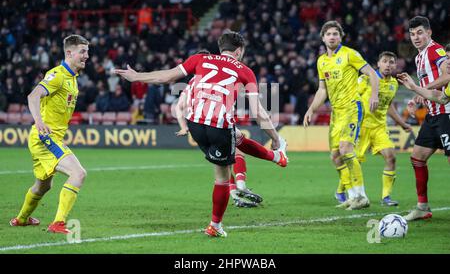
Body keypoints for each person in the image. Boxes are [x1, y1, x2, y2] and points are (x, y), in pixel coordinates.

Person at [114, 31, 286, 238]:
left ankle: (275, 158)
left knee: (237, 137)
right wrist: (275, 138)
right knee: (222, 177)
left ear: (221, 48)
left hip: (195, 124)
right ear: (239, 51)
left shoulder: (199, 59)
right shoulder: (245, 71)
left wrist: (137, 77)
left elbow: (167, 76)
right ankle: (215, 225)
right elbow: (257, 112)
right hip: (218, 126)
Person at [174, 57, 288, 208]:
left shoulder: (192, 83)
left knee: (225, 162)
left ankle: (235, 194)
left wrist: (183, 126)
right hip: (213, 121)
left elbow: (179, 106)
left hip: (196, 125)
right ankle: (243, 183)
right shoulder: (207, 81)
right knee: (237, 149)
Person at [10, 35, 89, 234]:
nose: (86, 56)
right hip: (45, 137)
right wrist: (39, 121)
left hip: (48, 138)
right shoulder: (58, 75)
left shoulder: (72, 78)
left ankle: (21, 219)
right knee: (78, 173)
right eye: (82, 51)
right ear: (69, 53)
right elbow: (33, 95)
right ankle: (58, 224)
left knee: (43, 186)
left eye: (87, 52)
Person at [303, 20, 379, 210]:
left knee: (346, 149)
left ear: (341, 36)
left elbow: (372, 73)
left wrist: (374, 95)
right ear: (322, 38)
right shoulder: (321, 61)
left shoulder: (350, 54)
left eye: (335, 34)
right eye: (328, 34)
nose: (332, 37)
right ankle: (353, 197)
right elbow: (322, 90)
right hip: (336, 113)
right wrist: (311, 109)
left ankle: (362, 195)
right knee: (336, 156)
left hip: (352, 108)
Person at [396, 16, 450, 221]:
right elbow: (430, 85)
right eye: (412, 34)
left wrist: (420, 88)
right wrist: (417, 97)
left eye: (420, 32)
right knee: (417, 157)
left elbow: (448, 75)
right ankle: (422, 207)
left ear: (429, 33)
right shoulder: (419, 57)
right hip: (433, 115)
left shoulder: (436, 51)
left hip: (447, 112)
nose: (416, 37)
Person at [354, 51, 412, 207]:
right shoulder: (365, 79)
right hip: (362, 127)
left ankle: (386, 197)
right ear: (378, 64)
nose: (388, 64)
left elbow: (389, 106)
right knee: (354, 162)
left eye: (391, 62)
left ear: (395, 65)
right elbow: (353, 98)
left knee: (391, 157)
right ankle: (344, 193)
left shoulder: (393, 84)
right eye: (385, 61)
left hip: (379, 127)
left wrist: (402, 123)